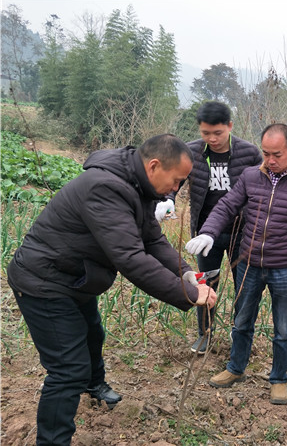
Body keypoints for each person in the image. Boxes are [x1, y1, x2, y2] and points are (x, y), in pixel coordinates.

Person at [7, 134, 217, 445]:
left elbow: (152, 241)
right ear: (155, 165)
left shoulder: (138, 185)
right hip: (44, 281)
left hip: (75, 277)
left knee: (93, 336)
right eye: (176, 181)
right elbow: (130, 257)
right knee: (67, 370)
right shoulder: (105, 188)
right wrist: (186, 294)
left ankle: (95, 387)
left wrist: (188, 276)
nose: (176, 189)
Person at [186, 123, 287, 406]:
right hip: (249, 263)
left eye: (277, 155)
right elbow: (226, 206)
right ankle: (236, 369)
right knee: (241, 321)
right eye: (266, 154)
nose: (270, 161)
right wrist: (209, 232)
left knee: (283, 328)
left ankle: (279, 379)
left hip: (284, 268)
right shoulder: (251, 177)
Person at [156, 101, 262, 355]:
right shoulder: (191, 152)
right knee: (205, 283)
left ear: (230, 127)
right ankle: (205, 334)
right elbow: (175, 182)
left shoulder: (249, 153)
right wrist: (168, 200)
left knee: (243, 287)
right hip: (205, 235)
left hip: (241, 232)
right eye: (206, 133)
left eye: (218, 133)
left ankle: (241, 336)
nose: (212, 139)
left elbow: (262, 188)